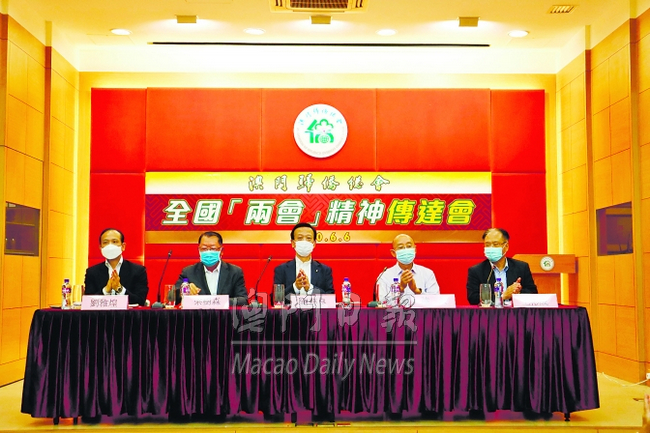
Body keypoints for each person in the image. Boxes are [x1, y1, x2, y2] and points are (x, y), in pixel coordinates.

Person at [466, 227, 538, 305]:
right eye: (487, 245)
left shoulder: (521, 267)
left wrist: (517, 292)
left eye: (495, 244)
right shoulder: (476, 271)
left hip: (515, 311)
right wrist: (503, 296)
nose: (491, 248)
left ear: (506, 246)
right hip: (490, 312)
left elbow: (533, 293)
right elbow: (473, 298)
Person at [175, 231, 248, 305]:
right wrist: (184, 290)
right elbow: (173, 297)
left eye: (213, 249)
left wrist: (218, 301)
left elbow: (243, 300)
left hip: (224, 312)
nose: (208, 252)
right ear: (199, 250)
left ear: (221, 251)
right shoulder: (189, 272)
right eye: (204, 248)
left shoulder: (234, 272)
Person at [84, 228, 149, 306]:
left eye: (114, 242)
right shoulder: (92, 272)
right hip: (101, 314)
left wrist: (120, 289)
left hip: (128, 314)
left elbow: (140, 300)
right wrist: (106, 290)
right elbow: (88, 302)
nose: (110, 245)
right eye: (105, 242)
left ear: (123, 246)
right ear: (100, 247)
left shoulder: (138, 271)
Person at [273, 222, 334, 299]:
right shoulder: (281, 270)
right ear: (293, 243)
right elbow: (276, 299)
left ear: (314, 243)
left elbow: (330, 298)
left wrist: (310, 288)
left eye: (308, 238)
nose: (304, 241)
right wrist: (295, 287)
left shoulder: (324, 270)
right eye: (300, 238)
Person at [376, 233, 440, 302]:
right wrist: (400, 289)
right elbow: (381, 303)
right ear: (393, 253)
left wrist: (416, 291)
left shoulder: (427, 273)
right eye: (401, 247)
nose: (405, 250)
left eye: (409, 246)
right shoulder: (384, 276)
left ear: (415, 250)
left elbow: (435, 301)